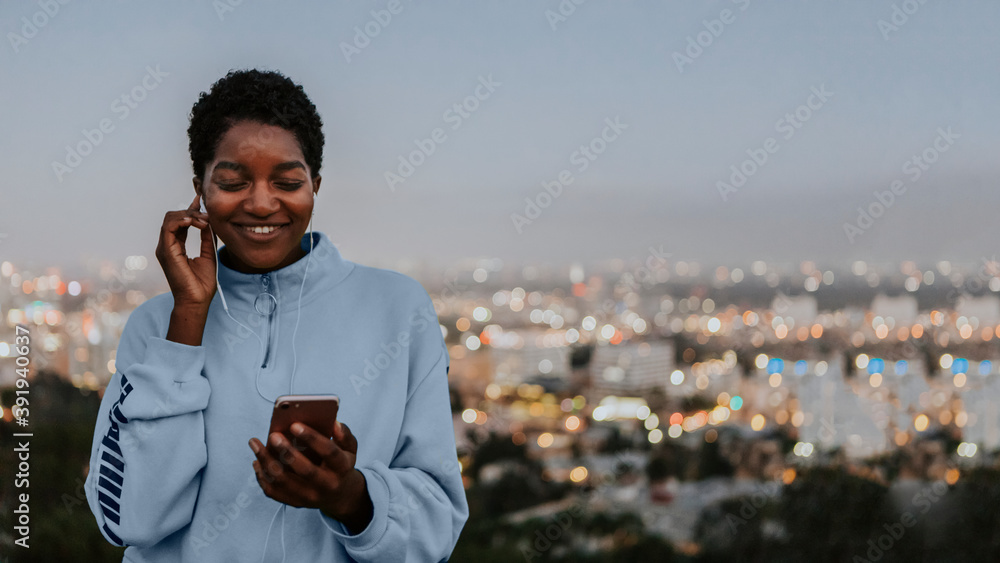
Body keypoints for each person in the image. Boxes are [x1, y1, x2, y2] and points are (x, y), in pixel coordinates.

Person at [84, 68, 469, 562]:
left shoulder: (399, 308)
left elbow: (437, 527)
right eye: (231, 181)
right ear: (199, 188)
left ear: (316, 186)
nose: (262, 203)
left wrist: (349, 497)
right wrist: (188, 319)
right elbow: (129, 521)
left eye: (288, 182)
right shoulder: (156, 327)